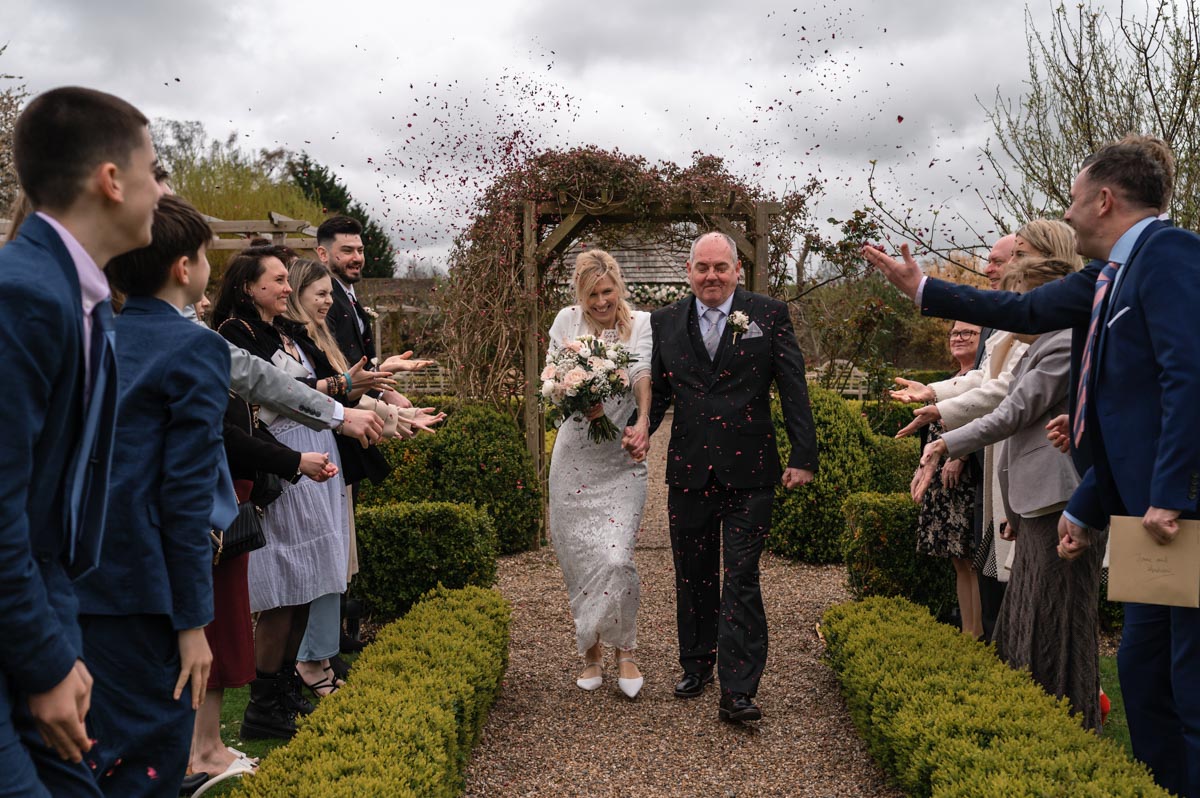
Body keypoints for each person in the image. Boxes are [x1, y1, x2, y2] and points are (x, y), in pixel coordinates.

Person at [864, 139, 1199, 797]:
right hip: (1134, 512)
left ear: (1104, 199)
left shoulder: (1172, 257)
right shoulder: (1105, 276)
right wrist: (923, 288)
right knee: (1140, 668)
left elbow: (1188, 379)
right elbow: (1020, 311)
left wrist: (1169, 492)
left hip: (1177, 514)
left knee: (1186, 680)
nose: (1068, 216)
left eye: (1075, 200)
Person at [0, 86, 162, 798]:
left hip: (42, 608)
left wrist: (60, 642)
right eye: (155, 170)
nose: (162, 189)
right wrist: (42, 660)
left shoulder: (76, 296)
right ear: (111, 179)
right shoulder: (23, 295)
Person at [70, 194, 228, 796]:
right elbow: (182, 497)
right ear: (183, 269)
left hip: (76, 576)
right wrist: (192, 620)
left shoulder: (90, 335)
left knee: (88, 752)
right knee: (148, 757)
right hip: (146, 587)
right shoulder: (196, 348)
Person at [630, 231, 817, 723]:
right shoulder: (664, 321)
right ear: (689, 272)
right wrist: (642, 427)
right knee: (692, 574)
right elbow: (662, 391)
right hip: (689, 468)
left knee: (741, 575)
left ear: (737, 269)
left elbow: (792, 386)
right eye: (702, 268)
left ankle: (738, 689)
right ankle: (696, 663)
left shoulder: (768, 314)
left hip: (751, 470)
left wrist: (804, 455)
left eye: (720, 267)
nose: (711, 276)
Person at [212, 247, 386, 739]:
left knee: (312, 579)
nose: (288, 288)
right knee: (286, 582)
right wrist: (340, 395)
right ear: (249, 286)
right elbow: (270, 399)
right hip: (284, 455)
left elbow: (309, 389)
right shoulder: (234, 334)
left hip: (317, 449)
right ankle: (264, 703)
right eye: (278, 280)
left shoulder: (284, 332)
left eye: (289, 280)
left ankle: (285, 689)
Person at [924, 257, 1104, 729]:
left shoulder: (1064, 344)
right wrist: (1015, 510)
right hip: (1033, 506)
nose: (1010, 313)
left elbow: (1013, 413)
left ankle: (1067, 727)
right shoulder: (1037, 348)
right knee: (1026, 620)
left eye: (1018, 301)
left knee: (1055, 625)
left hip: (1060, 504)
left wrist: (947, 440)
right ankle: (1031, 725)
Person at [284, 258, 444, 696]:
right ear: (297, 294)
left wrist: (400, 413)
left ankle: (319, 656)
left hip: (333, 460)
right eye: (319, 293)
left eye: (329, 294)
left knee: (335, 563)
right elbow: (323, 401)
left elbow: (348, 397)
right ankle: (308, 663)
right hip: (311, 462)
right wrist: (394, 412)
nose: (327, 301)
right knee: (321, 563)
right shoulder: (297, 343)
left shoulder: (317, 339)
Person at [547, 250, 652, 699]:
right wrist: (574, 400)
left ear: (618, 287)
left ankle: (625, 650)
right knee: (579, 561)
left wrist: (642, 421)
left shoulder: (640, 323)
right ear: (580, 294)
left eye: (607, 292)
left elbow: (642, 373)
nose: (601, 302)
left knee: (616, 557)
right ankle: (590, 650)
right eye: (592, 295)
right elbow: (550, 381)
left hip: (621, 460)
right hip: (573, 459)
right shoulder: (565, 323)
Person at [909, 321, 983, 639]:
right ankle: (968, 631)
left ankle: (978, 632)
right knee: (957, 559)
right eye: (954, 333)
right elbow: (932, 431)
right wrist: (922, 467)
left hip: (968, 479)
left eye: (968, 333)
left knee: (971, 558)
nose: (959, 338)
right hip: (943, 481)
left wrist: (961, 456)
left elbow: (989, 420)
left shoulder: (983, 380)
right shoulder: (949, 382)